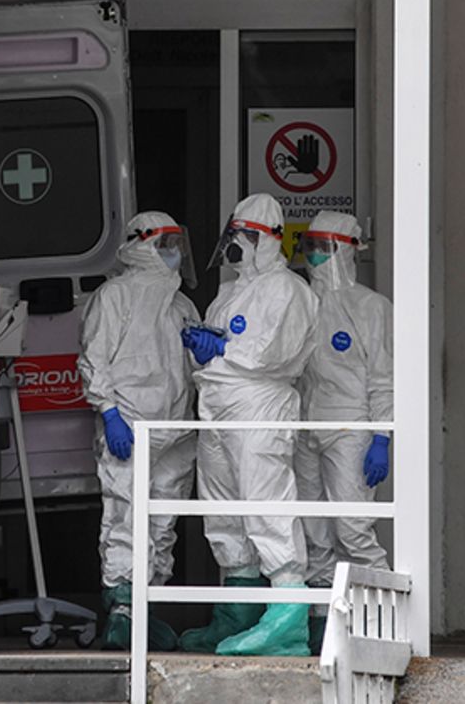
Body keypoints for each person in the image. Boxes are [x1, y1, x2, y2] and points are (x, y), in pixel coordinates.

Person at [178, 193, 318, 656]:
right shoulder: (229, 290)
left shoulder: (287, 289)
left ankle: (287, 619)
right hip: (217, 406)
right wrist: (204, 343)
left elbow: (270, 353)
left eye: (246, 236)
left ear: (268, 239)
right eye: (234, 235)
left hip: (260, 406)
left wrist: (220, 349)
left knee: (266, 504)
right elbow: (225, 343)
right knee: (223, 508)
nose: (237, 245)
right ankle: (236, 611)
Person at [77, 210, 200, 651]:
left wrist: (206, 352)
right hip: (129, 422)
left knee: (163, 521)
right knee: (126, 516)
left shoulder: (181, 303)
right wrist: (109, 412)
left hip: (175, 428)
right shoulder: (114, 297)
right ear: (141, 244)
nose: (173, 254)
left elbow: (191, 367)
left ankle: (148, 609)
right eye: (165, 244)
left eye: (175, 244)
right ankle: (124, 611)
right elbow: (94, 359)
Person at [293, 211, 392, 653]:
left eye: (323, 247)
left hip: (351, 426)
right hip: (306, 426)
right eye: (309, 246)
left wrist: (382, 436)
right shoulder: (300, 302)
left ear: (347, 250)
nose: (314, 255)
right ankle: (322, 627)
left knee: (352, 529)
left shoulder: (370, 307)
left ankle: (383, 620)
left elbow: (385, 376)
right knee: (314, 534)